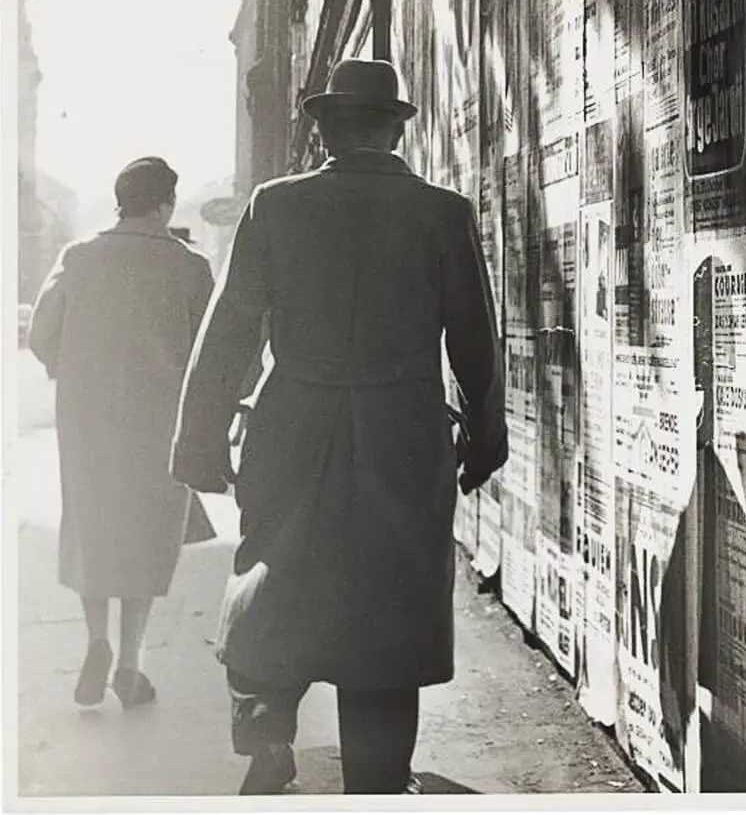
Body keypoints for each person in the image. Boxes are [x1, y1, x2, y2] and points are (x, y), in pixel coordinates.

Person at [170, 59, 507, 796]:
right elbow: (474, 339)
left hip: (293, 417)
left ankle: (264, 725)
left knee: (275, 573)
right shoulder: (442, 212)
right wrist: (486, 439)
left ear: (320, 130)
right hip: (403, 428)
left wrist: (198, 439)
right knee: (389, 595)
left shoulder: (275, 205)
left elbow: (229, 332)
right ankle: (378, 776)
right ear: (394, 129)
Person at [27, 156, 215, 709]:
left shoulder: (79, 257)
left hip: (87, 419)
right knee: (145, 537)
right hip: (160, 423)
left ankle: (96, 641)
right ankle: (131, 663)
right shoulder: (190, 267)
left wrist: (78, 369)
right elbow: (214, 352)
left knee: (92, 527)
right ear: (164, 204)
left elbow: (41, 335)